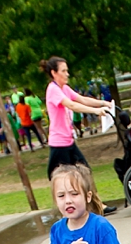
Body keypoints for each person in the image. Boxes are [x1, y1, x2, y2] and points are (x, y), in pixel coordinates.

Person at [39, 56, 116, 217]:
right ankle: (68, 208)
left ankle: (96, 204)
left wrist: (103, 103)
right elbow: (72, 105)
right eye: (64, 71)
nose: (67, 74)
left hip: (69, 141)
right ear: (54, 73)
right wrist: (96, 112)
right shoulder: (53, 90)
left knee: (85, 171)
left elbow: (81, 99)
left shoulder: (64, 88)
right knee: (61, 178)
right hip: (59, 144)